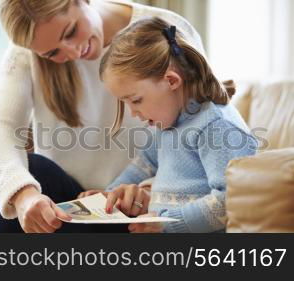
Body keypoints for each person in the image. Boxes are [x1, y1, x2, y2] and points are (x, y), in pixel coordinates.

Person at [0, 0, 206, 233]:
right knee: (34, 169)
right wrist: (24, 196)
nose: (73, 52)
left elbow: (198, 140)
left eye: (71, 32)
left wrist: (149, 190)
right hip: (73, 206)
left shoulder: (166, 31)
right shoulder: (27, 50)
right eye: (52, 53)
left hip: (143, 209)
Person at [99, 17, 258, 233]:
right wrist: (109, 194)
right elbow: (144, 162)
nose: (133, 112)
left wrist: (167, 224)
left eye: (136, 100)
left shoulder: (215, 125)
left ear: (172, 81)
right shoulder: (169, 123)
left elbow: (230, 200)